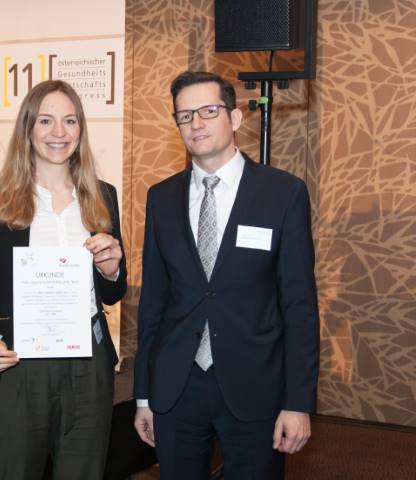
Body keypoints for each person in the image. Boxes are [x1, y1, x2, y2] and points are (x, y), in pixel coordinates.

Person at [133, 71, 319, 479]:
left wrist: (298, 401)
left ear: (234, 118)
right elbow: (154, 304)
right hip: (178, 387)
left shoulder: (283, 193)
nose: (196, 123)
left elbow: (299, 304)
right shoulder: (161, 198)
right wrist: (144, 396)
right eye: (184, 116)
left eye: (208, 111)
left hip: (256, 386)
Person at [0, 80, 127, 480]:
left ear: (81, 129)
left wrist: (112, 269)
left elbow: (112, 290)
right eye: (46, 121)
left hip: (88, 363)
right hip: (21, 362)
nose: (59, 133)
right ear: (28, 128)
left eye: (70, 121)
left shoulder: (102, 196)